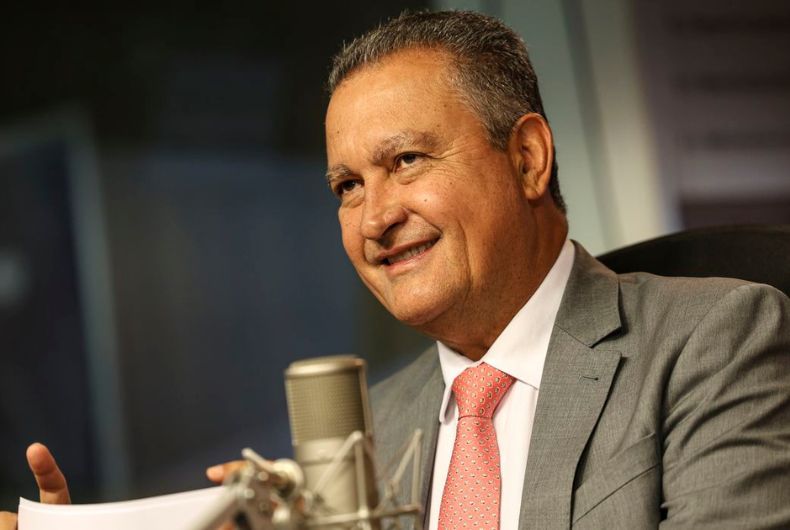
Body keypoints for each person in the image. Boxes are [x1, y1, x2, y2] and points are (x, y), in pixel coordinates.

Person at [3, 10, 789, 530]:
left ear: (526, 157)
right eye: (347, 187)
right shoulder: (359, 438)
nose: (375, 218)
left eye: (406, 160)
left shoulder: (716, 339)